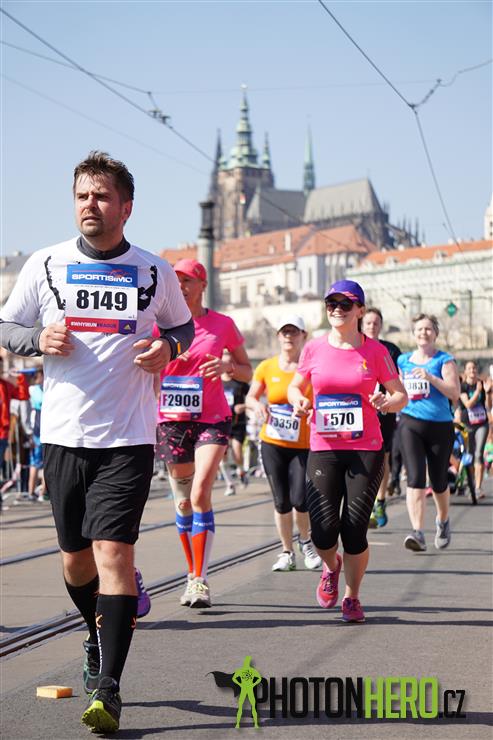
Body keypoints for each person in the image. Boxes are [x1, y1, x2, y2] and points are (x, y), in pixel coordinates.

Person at [0, 151, 194, 734]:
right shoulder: (45, 263)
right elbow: (5, 327)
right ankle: (95, 633)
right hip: (64, 435)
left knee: (114, 556)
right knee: (75, 559)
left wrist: (168, 348)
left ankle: (108, 688)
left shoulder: (153, 271)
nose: (91, 204)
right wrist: (38, 338)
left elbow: (182, 326)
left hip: (128, 437)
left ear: (126, 207)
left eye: (102, 196)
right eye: (83, 195)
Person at [288, 280, 407, 622]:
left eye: (345, 304)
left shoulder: (376, 352)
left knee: (354, 529)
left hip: (365, 448)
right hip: (324, 447)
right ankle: (331, 565)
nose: (337, 309)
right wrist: (298, 401)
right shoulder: (313, 348)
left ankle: (352, 596)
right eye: (332, 304)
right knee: (323, 530)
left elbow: (400, 395)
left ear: (359, 310)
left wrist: (386, 402)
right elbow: (297, 386)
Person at [155, 258, 252, 608]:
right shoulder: (158, 323)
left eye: (187, 281)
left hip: (212, 418)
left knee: (199, 493)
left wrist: (228, 366)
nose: (180, 286)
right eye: (176, 280)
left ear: (202, 285)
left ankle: (200, 579)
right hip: (171, 420)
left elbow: (247, 371)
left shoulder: (222, 324)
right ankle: (190, 572)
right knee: (183, 502)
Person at [246, 315, 322, 572]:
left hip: (303, 445)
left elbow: (322, 398)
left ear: (303, 335)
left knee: (301, 499)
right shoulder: (266, 367)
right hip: (273, 442)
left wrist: (311, 410)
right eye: (284, 332)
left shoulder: (311, 368)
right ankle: (287, 552)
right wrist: (257, 406)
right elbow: (251, 396)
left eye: (294, 332)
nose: (289, 336)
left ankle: (306, 542)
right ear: (278, 336)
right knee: (281, 501)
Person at [397, 314, 460, 552]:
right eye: (419, 329)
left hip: (440, 425)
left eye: (428, 329)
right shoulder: (403, 360)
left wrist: (431, 377)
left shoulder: (444, 360)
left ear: (435, 334)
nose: (423, 332)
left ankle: (443, 521)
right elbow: (398, 390)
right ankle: (418, 532)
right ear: (413, 333)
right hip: (410, 423)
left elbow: (454, 393)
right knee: (414, 477)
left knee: (438, 479)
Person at [362, 308, 401, 527]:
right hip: (360, 410)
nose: (372, 326)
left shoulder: (391, 350)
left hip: (384, 410)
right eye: (368, 323)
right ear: (362, 324)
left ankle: (381, 500)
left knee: (383, 457)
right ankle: (364, 501)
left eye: (376, 323)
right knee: (363, 457)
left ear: (381, 325)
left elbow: (399, 380)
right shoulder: (355, 346)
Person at [220, 350, 250, 496]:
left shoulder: (240, 383)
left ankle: (241, 471)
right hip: (220, 422)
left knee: (237, 451)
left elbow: (253, 398)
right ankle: (229, 484)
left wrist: (243, 406)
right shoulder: (216, 381)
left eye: (230, 362)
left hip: (238, 422)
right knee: (222, 455)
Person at [459, 361, 490, 499]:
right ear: (465, 371)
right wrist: (477, 391)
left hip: (482, 423)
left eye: (474, 368)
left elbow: (488, 405)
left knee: (478, 454)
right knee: (469, 455)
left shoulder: (482, 384)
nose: (472, 370)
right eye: (469, 368)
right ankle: (470, 484)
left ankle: (478, 487)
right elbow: (468, 404)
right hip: (467, 425)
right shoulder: (463, 387)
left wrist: (488, 393)